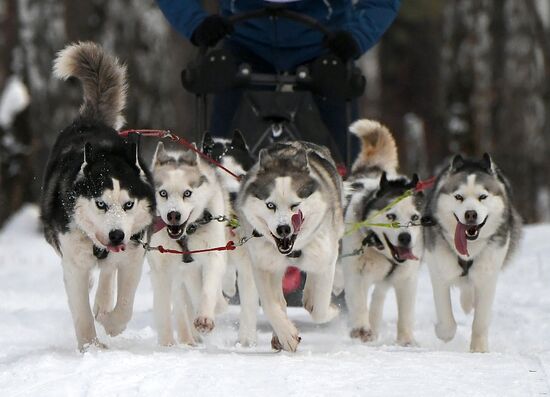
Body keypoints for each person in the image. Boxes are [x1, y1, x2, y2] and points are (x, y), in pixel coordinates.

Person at [156, 0, 401, 164]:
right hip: (243, 40)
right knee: (218, 155)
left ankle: (353, 205)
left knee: (350, 153)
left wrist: (357, 36)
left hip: (325, 44)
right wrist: (196, 24)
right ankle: (216, 203)